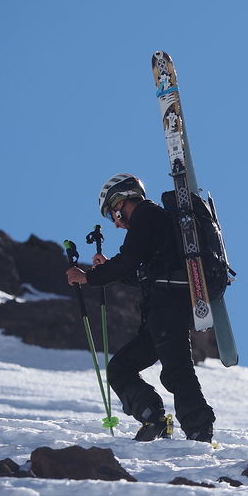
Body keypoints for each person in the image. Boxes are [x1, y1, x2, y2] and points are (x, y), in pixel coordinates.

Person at [66, 173, 216, 443]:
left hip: (168, 306)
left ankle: (199, 429)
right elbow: (141, 272)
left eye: (112, 214)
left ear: (120, 201)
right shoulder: (154, 221)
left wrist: (88, 277)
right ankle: (153, 418)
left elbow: (129, 260)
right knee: (120, 368)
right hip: (163, 310)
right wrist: (108, 266)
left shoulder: (145, 215)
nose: (115, 223)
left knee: (176, 368)